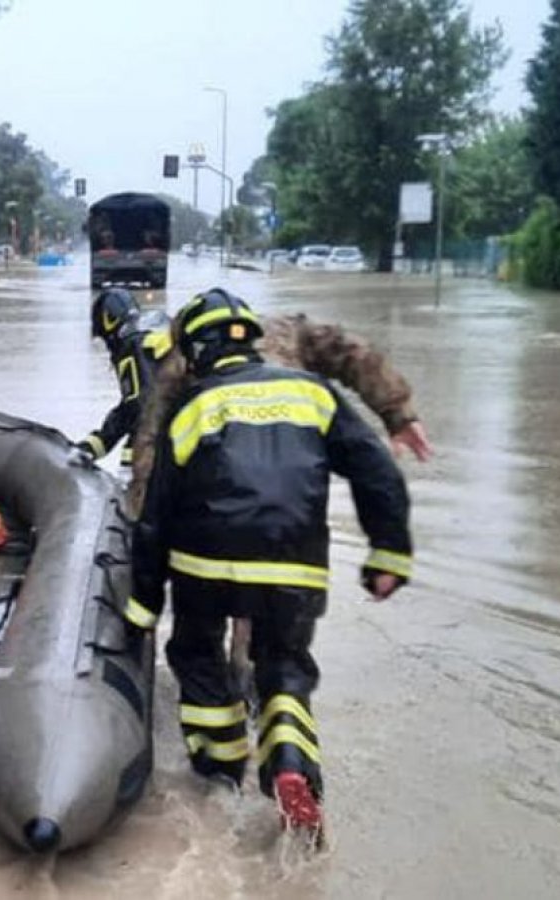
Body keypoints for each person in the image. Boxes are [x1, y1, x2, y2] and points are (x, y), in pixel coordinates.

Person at [128, 288, 413, 843]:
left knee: (194, 651)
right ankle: (287, 758)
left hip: (206, 562)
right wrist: (388, 554)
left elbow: (153, 500)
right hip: (292, 563)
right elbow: (378, 472)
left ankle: (221, 775)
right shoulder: (313, 388)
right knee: (284, 665)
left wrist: (142, 601)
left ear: (195, 346)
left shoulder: (187, 396)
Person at [128, 293, 433, 513]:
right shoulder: (287, 332)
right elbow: (350, 351)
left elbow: (150, 446)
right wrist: (398, 415)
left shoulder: (178, 366)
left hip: (229, 483)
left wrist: (143, 524)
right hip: (295, 478)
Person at [74, 288, 172, 469]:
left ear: (108, 322)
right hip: (189, 431)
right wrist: (96, 443)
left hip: (160, 443)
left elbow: (138, 405)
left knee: (131, 463)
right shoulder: (157, 330)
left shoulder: (131, 345)